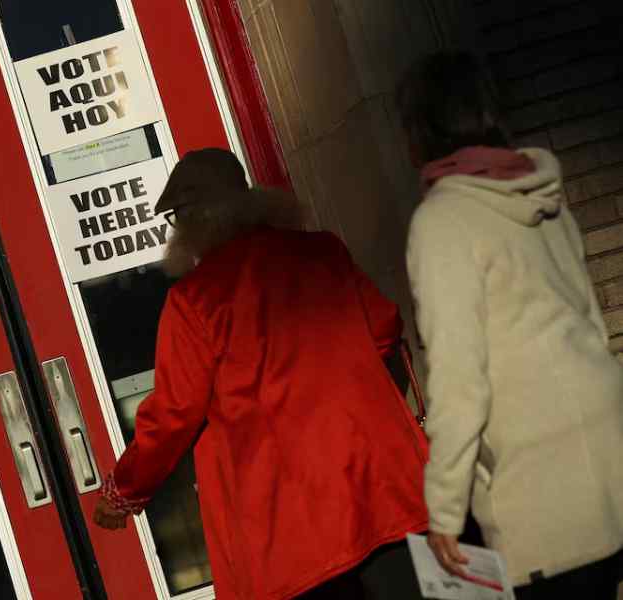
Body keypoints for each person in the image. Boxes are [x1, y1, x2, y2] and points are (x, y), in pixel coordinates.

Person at [93, 148, 429, 599]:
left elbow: (174, 414)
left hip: (288, 522)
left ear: (193, 219)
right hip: (379, 485)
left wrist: (124, 491)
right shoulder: (321, 251)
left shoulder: (195, 301)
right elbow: (384, 327)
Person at [398, 50, 623, 599]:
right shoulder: (544, 195)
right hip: (609, 450)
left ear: (419, 131)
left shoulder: (441, 222)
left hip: (536, 484)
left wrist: (446, 511)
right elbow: (592, 325)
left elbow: (459, 379)